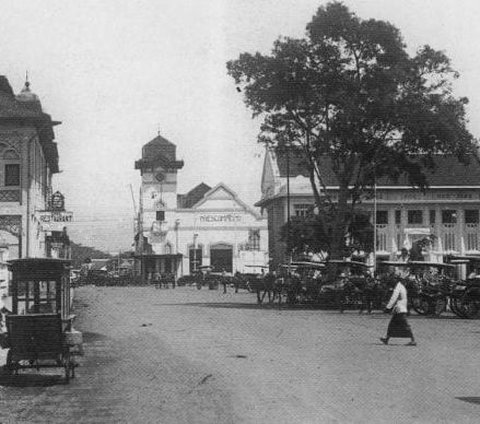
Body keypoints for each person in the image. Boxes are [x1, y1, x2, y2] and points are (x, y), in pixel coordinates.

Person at [380, 279, 416, 346]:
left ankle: (413, 340)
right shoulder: (402, 287)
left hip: (399, 309)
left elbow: (393, 298)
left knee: (404, 325)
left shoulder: (398, 288)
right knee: (392, 324)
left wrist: (388, 307)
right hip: (400, 308)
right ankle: (386, 338)